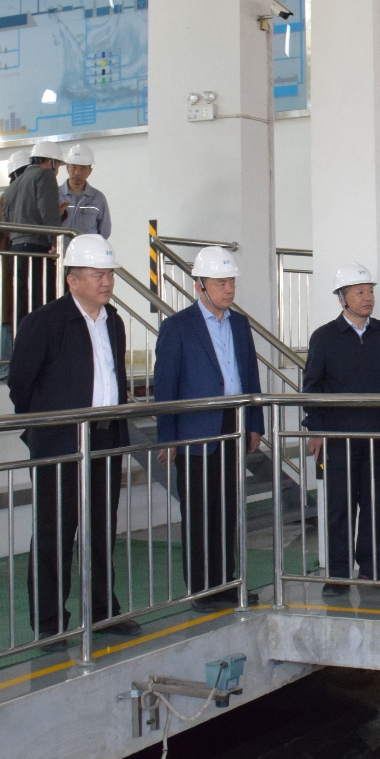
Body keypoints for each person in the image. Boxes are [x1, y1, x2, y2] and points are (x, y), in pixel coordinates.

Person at [8, 234, 142, 649]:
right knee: (55, 532)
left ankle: (102, 611)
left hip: (106, 440)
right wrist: (47, 429)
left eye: (109, 275)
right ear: (72, 280)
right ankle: (50, 624)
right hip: (60, 443)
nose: (107, 282)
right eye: (97, 275)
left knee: (102, 529)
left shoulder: (113, 321)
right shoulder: (45, 322)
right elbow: (20, 385)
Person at [153, 246, 265, 613]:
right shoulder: (177, 327)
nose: (229, 289)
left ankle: (227, 583)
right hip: (195, 430)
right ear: (199, 285)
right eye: (221, 283)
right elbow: (165, 387)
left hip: (233, 424)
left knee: (228, 509)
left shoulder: (239, 324)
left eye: (231, 282)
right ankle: (201, 589)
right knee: (200, 511)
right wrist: (168, 438)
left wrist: (255, 422)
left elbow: (250, 376)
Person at [302, 263, 380, 596]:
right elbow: (312, 388)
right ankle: (337, 575)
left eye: (370, 291)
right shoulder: (324, 337)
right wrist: (316, 429)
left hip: (379, 436)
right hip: (340, 439)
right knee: (339, 508)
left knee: (373, 504)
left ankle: (371, 569)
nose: (368, 297)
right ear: (342, 298)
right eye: (360, 292)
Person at [2, 141, 63, 331]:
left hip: (16, 251)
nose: (57, 171)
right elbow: (48, 212)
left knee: (22, 304)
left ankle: (22, 342)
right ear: (52, 162)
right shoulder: (45, 175)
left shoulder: (13, 185)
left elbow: (5, 222)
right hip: (37, 250)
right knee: (43, 303)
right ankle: (43, 346)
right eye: (58, 166)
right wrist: (56, 242)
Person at [0, 148, 31, 383]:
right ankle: (2, 369)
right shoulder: (10, 196)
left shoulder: (14, 195)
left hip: (16, 264)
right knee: (8, 316)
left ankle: (8, 367)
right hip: (9, 265)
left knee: (13, 315)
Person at [59, 142, 112, 239]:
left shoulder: (98, 198)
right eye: (73, 167)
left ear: (90, 171)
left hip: (88, 249)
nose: (77, 172)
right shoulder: (55, 195)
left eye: (82, 169)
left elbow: (105, 232)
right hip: (61, 248)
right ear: (67, 167)